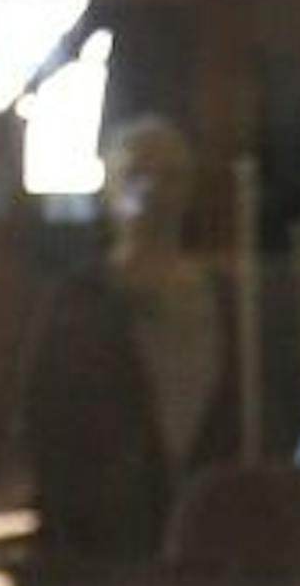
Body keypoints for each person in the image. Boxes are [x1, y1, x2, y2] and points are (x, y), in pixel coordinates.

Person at [19, 112, 238, 560]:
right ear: (108, 187)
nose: (153, 190)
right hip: (105, 544)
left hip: (213, 542)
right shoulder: (75, 305)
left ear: (190, 190)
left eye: (170, 176)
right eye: (137, 173)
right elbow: (46, 423)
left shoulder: (229, 302)